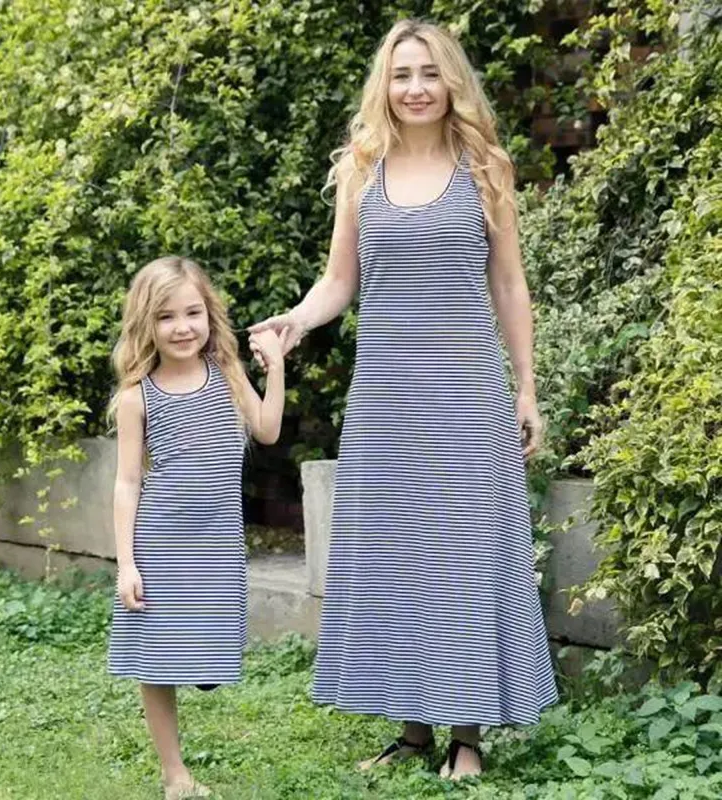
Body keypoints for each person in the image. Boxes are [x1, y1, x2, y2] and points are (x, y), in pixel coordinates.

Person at [249, 18, 557, 781]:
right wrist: (296, 321)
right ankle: (413, 731)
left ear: (451, 81)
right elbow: (339, 280)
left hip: (466, 394)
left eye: (429, 73)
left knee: (463, 552)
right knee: (398, 555)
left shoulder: (485, 168)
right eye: (402, 74)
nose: (416, 88)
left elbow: (509, 283)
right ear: (384, 86)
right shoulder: (362, 170)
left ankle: (467, 734)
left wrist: (526, 387)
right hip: (386, 397)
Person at [107, 256, 285, 799]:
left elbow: (268, 430)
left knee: (209, 655)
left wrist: (275, 366)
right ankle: (175, 774)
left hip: (217, 545)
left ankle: (198, 661)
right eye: (166, 317)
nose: (182, 327)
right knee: (155, 660)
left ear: (210, 315)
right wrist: (127, 563)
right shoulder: (137, 397)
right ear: (146, 324)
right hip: (160, 543)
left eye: (192, 313)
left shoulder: (226, 376)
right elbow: (127, 483)